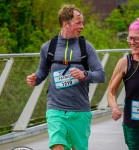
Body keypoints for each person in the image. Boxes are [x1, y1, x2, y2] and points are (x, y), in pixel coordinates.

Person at [27, 4, 106, 150]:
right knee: (57, 145)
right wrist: (35, 78)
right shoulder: (48, 47)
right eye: (78, 23)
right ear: (65, 23)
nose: (82, 26)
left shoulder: (86, 47)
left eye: (82, 22)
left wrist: (85, 74)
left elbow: (101, 75)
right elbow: (43, 70)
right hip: (56, 108)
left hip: (80, 111)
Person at [107, 17, 139, 150]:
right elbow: (111, 91)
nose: (132, 42)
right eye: (130, 38)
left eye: (136, 38)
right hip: (132, 124)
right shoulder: (125, 63)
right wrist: (114, 108)